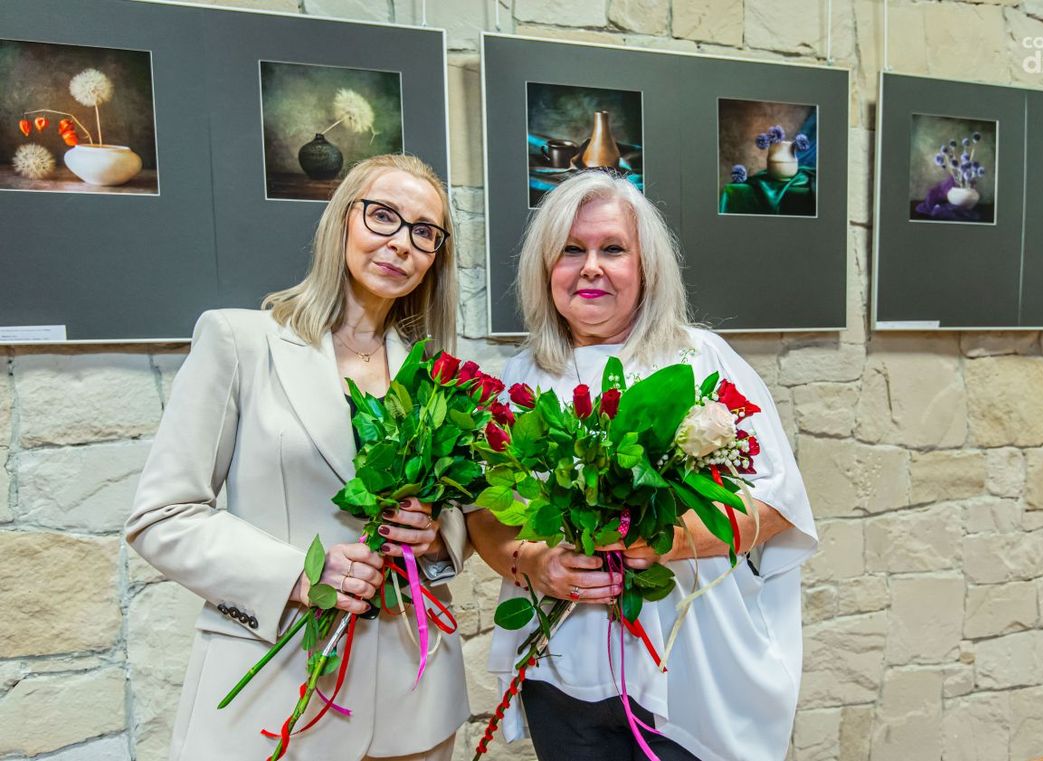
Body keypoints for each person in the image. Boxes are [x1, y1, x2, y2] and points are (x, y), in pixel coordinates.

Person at [466, 170, 817, 761]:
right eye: (571, 251)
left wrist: (663, 541)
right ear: (544, 269)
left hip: (692, 666)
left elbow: (776, 507)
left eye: (613, 249)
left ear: (647, 267)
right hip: (562, 669)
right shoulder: (518, 379)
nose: (591, 267)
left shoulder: (701, 359)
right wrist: (531, 562)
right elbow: (484, 511)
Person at [126, 154, 468, 761]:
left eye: (424, 231)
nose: (401, 243)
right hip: (276, 687)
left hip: (413, 702)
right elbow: (162, 516)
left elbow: (457, 521)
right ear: (341, 223)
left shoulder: (435, 372)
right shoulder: (240, 342)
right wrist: (299, 576)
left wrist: (437, 537)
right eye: (382, 216)